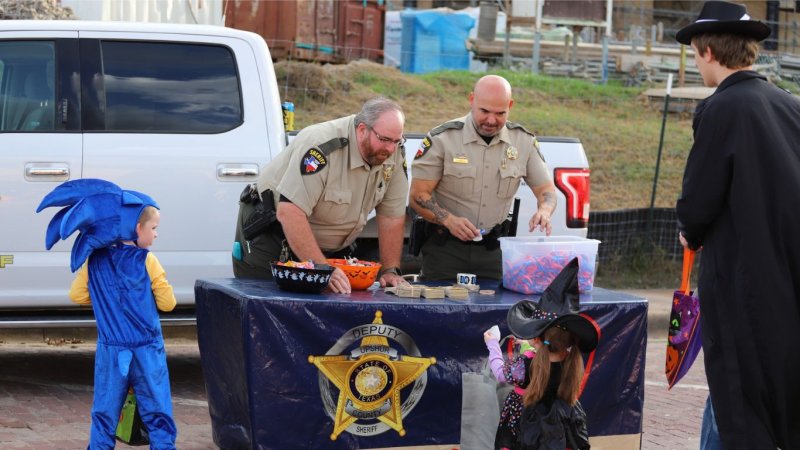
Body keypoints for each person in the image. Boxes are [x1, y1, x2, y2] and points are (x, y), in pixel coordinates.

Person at [674, 2, 800, 448]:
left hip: (740, 282)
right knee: (772, 395)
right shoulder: (789, 105)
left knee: (738, 396)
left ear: (707, 51)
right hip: (786, 279)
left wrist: (690, 227)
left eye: (693, 52)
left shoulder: (722, 107)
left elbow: (698, 202)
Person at [37, 178, 178, 449]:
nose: (156, 234)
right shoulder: (147, 260)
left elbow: (77, 296)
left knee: (104, 413)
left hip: (112, 351)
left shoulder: (94, 260)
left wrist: (105, 300)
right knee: (157, 412)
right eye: (154, 228)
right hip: (147, 350)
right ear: (137, 227)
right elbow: (167, 303)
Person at [232, 97, 409, 293]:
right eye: (384, 140)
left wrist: (390, 270)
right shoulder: (321, 147)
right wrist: (321, 267)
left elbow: (392, 216)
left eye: (396, 141)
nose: (390, 149)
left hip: (326, 249)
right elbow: (289, 212)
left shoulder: (393, 152)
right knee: (268, 311)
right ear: (361, 130)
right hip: (272, 234)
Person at [409, 74, 557, 281]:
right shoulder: (443, 139)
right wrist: (449, 220)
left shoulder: (523, 142)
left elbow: (546, 191)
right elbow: (418, 195)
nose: (491, 120)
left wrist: (545, 210)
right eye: (484, 111)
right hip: (445, 251)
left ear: (510, 106)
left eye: (500, 113)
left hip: (495, 251)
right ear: (472, 100)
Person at [484, 258, 597, 450]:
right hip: (560, 425)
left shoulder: (526, 364)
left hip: (526, 425)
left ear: (536, 338)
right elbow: (544, 356)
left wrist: (492, 344)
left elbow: (501, 373)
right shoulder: (570, 360)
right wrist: (529, 347)